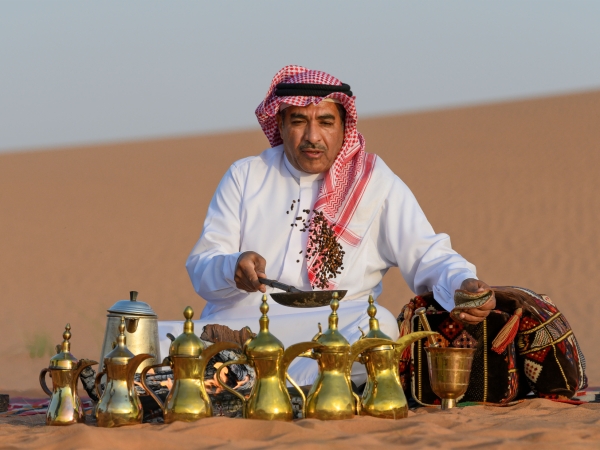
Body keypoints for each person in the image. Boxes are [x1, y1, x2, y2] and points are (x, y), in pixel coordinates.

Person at [181, 65, 495, 387]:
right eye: (299, 121)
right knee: (168, 338)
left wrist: (463, 281)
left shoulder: (374, 183)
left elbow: (427, 253)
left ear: (344, 126)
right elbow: (202, 265)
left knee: (379, 331)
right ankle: (293, 385)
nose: (312, 137)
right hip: (244, 328)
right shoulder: (246, 176)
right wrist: (232, 266)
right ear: (280, 122)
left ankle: (258, 384)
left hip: (333, 329)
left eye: (326, 122)